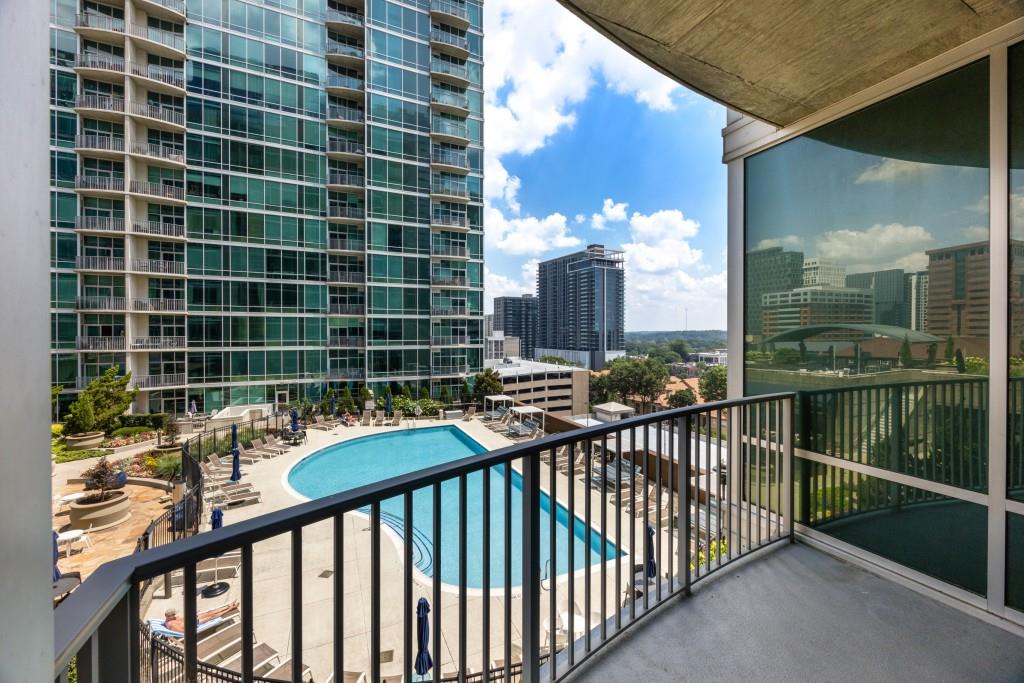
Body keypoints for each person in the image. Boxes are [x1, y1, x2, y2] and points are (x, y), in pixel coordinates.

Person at [163, 601, 238, 632]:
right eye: (174, 615)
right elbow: (182, 631)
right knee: (212, 616)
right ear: (170, 616)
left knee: (210, 612)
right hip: (194, 624)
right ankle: (230, 609)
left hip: (192, 619)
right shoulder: (171, 625)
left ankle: (228, 606)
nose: (175, 615)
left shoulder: (174, 618)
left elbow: (182, 619)